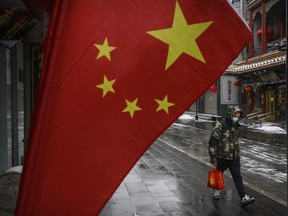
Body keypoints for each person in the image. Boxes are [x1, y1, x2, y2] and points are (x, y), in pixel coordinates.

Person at [208, 105, 255, 207]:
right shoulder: (220, 125)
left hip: (234, 157)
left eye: (238, 116)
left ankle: (243, 197)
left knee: (237, 176)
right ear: (230, 114)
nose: (237, 117)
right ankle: (216, 190)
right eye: (235, 115)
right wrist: (213, 156)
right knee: (218, 174)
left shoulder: (236, 125)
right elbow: (213, 141)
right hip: (222, 156)